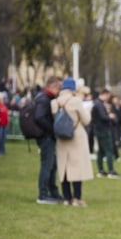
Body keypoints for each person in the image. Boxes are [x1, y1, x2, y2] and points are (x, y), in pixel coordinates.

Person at [52, 78, 93, 206]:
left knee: (63, 167)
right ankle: (77, 198)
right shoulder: (76, 101)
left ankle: (66, 198)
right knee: (76, 168)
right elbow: (86, 120)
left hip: (61, 138)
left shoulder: (55, 102)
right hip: (76, 137)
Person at [33, 76, 63, 204]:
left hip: (47, 136)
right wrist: (52, 129)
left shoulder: (44, 98)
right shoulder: (44, 99)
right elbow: (39, 117)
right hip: (46, 137)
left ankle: (53, 192)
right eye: (59, 88)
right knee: (47, 165)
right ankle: (43, 194)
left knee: (52, 165)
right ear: (54, 86)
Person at [91, 88, 119, 178]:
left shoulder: (96, 103)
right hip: (104, 130)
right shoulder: (99, 104)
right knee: (109, 150)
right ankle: (111, 171)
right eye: (109, 96)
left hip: (98, 130)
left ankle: (101, 171)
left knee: (101, 151)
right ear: (105, 94)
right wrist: (110, 116)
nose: (109, 98)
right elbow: (103, 117)